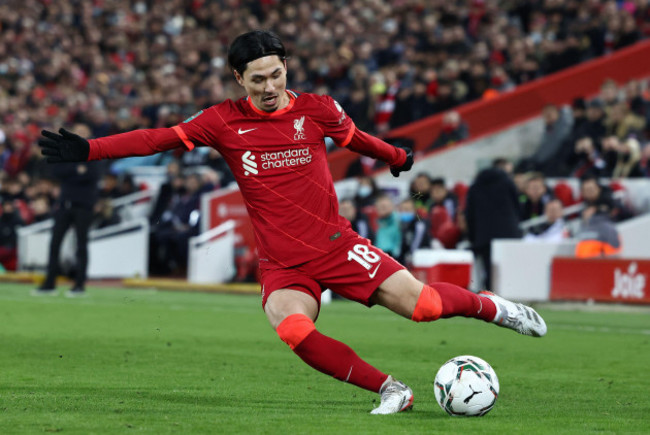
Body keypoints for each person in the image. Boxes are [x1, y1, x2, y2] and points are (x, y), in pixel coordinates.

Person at [38, 30, 546, 414]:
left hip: (336, 245)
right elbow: (156, 138)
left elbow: (356, 138)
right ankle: (391, 389)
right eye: (256, 79)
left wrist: (395, 156)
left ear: (285, 68)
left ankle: (495, 308)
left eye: (275, 74)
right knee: (293, 329)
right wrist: (89, 149)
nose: (268, 87)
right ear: (239, 79)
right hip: (282, 262)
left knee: (426, 307)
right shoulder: (221, 121)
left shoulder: (316, 110)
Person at [34, 124, 101, 297]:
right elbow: (57, 171)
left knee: (81, 246)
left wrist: (74, 171)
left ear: (89, 134)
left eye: (84, 132)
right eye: (78, 131)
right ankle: (49, 283)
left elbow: (92, 174)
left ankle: (79, 285)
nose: (80, 134)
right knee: (55, 244)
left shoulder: (94, 152)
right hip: (65, 205)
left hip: (83, 206)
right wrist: (77, 170)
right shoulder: (67, 151)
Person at [465, 158, 522, 290]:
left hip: (484, 237)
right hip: (509, 234)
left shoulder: (475, 186)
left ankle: (492, 301)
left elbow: (470, 215)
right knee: (509, 270)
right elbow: (517, 207)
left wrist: (473, 238)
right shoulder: (508, 182)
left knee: (490, 271)